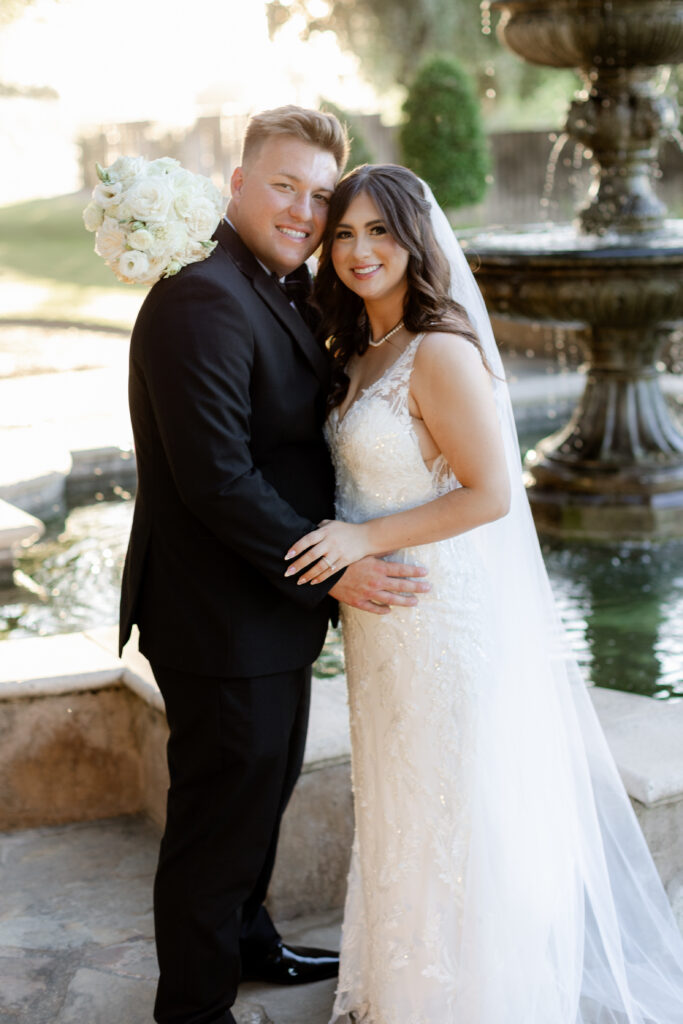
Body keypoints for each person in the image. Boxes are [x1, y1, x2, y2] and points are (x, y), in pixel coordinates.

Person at [286, 164, 683, 1024]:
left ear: (415, 239)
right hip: (380, 621)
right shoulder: (355, 345)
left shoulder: (442, 349)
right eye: (345, 232)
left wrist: (360, 540)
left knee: (454, 801)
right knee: (399, 794)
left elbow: (489, 494)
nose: (360, 250)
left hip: (439, 615)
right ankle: (405, 984)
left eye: (380, 231)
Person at [119, 112, 430, 1024]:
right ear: (238, 184)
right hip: (218, 618)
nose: (303, 209)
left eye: (320, 194)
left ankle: (249, 942)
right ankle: (195, 1004)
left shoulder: (277, 284)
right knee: (217, 827)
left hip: (264, 612)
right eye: (284, 185)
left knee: (261, 793)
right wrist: (333, 573)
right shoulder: (202, 296)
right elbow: (216, 477)